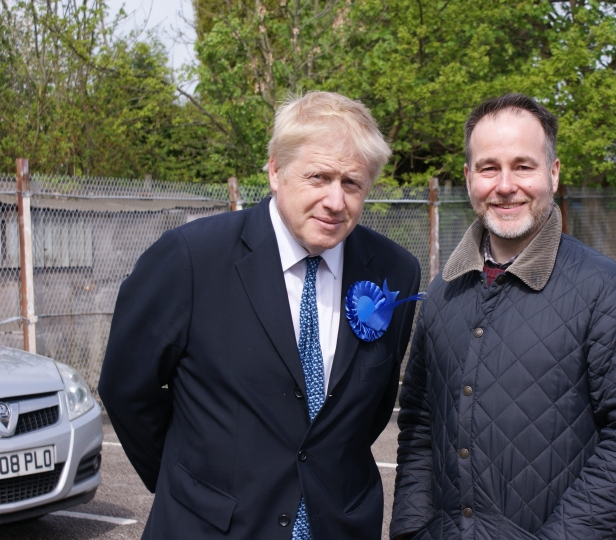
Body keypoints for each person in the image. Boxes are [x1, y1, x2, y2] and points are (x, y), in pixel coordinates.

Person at [99, 91, 421, 539]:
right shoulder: (190, 259)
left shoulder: (394, 271)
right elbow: (126, 389)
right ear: (275, 170)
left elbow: (369, 411)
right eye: (318, 177)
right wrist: (192, 487)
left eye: (352, 183)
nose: (335, 200)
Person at [390, 93, 616, 540]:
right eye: (488, 168)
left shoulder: (602, 288)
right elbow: (420, 423)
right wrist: (410, 529)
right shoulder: (445, 289)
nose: (505, 185)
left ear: (553, 174)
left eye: (523, 166)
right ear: (468, 179)